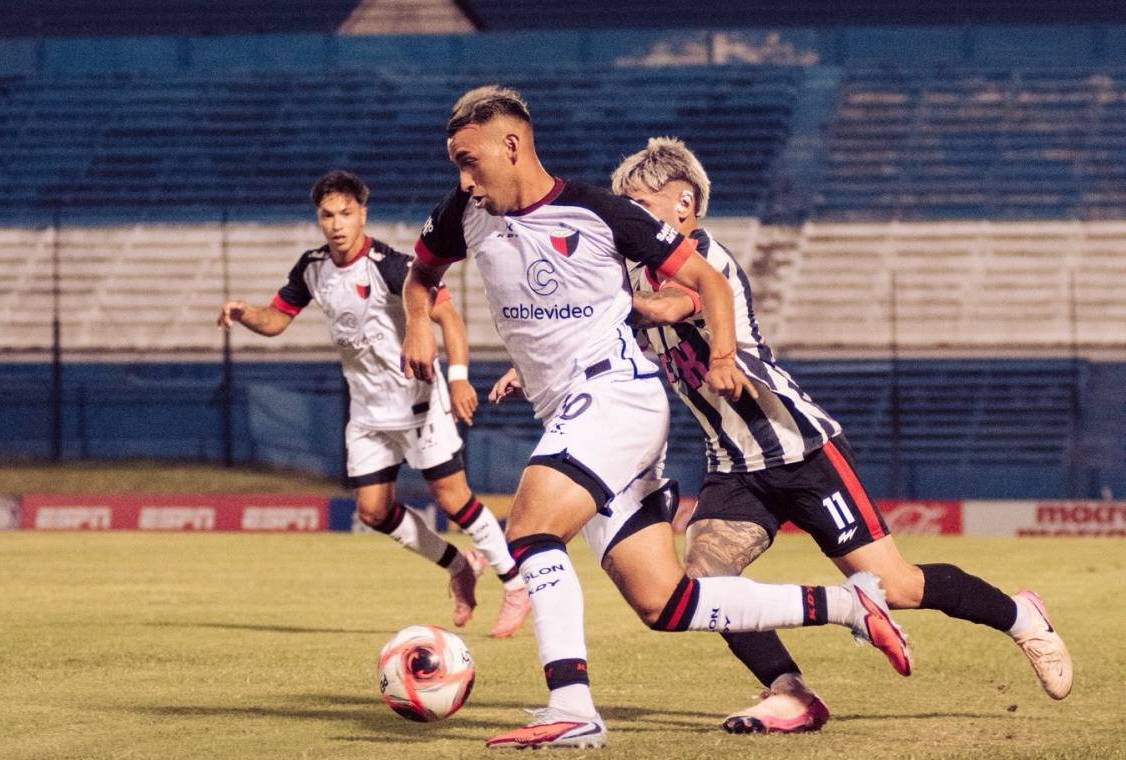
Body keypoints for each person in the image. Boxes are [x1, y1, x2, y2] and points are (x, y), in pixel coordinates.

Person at [401, 86, 914, 751]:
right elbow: (421, 276)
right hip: (570, 414)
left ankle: (572, 707)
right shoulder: (463, 213)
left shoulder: (599, 212)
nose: (465, 180)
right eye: (456, 166)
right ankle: (850, 603)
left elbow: (709, 281)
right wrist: (419, 323)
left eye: (470, 162)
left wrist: (722, 355)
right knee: (666, 602)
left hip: (616, 395)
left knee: (528, 526)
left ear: (512, 145)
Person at [606, 136, 1073, 732]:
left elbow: (669, 307)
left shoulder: (702, 258)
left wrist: (603, 298)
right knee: (706, 583)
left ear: (684, 204)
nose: (630, 221)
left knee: (896, 587)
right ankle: (790, 693)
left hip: (801, 450)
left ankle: (1023, 617)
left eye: (640, 206)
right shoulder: (638, 276)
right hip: (733, 464)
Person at [216, 169, 530, 639]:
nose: (337, 224)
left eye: (345, 213)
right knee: (373, 512)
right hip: (367, 413)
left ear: (362, 214)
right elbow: (276, 321)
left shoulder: (389, 266)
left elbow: (449, 318)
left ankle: (515, 584)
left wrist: (460, 379)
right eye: (328, 215)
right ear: (319, 219)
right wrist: (244, 314)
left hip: (418, 402)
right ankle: (459, 566)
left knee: (453, 499)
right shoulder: (312, 267)